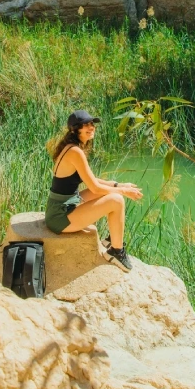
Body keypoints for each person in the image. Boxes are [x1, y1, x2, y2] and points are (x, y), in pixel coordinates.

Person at [45, 110, 142, 272]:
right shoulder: (75, 152)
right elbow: (94, 187)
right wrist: (123, 192)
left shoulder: (72, 148)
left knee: (110, 193)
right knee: (116, 200)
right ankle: (116, 252)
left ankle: (112, 239)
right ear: (75, 129)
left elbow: (92, 180)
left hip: (63, 206)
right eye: (86, 125)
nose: (91, 127)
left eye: (92, 124)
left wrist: (118, 185)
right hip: (60, 217)